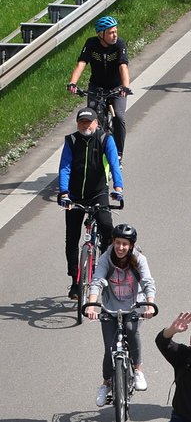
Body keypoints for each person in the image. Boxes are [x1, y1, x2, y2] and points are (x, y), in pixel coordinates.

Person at [83, 222, 156, 406]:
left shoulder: (139, 259)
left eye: (125, 244)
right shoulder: (106, 258)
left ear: (131, 245)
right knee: (109, 348)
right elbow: (97, 280)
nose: (120, 247)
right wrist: (91, 304)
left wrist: (150, 304)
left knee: (132, 331)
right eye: (117, 243)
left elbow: (148, 282)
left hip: (133, 306)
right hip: (110, 307)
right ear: (113, 242)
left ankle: (138, 370)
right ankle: (106, 384)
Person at [58, 105, 122, 298]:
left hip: (98, 192)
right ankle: (75, 282)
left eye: (89, 122)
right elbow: (65, 167)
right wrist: (64, 193)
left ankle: (106, 271)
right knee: (72, 239)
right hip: (75, 195)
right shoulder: (71, 140)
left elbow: (114, 163)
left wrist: (118, 188)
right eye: (81, 122)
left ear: (96, 123)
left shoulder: (105, 139)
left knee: (106, 227)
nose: (85, 125)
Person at [69, 15, 134, 153]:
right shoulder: (91, 44)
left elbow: (123, 66)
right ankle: (91, 149)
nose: (115, 35)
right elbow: (81, 63)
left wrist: (125, 86)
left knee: (119, 116)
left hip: (116, 87)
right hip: (96, 86)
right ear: (101, 34)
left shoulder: (119, 44)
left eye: (115, 31)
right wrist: (73, 83)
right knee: (90, 115)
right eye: (111, 32)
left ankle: (119, 154)